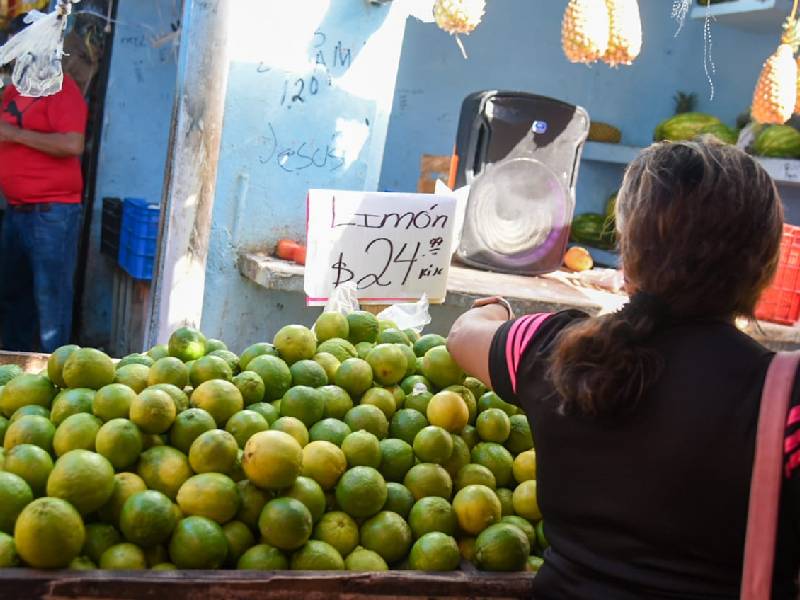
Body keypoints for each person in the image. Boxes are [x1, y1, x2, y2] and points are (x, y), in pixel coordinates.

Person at [447, 139, 800, 598]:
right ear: (764, 265)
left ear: (628, 249)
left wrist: (498, 306)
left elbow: (463, 335)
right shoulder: (784, 396)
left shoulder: (554, 349)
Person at [0, 13, 88, 353]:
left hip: (51, 214)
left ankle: (56, 373)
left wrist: (15, 135)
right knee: (13, 298)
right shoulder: (12, 93)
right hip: (17, 211)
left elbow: (72, 144)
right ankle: (15, 370)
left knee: (49, 302)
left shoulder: (61, 89)